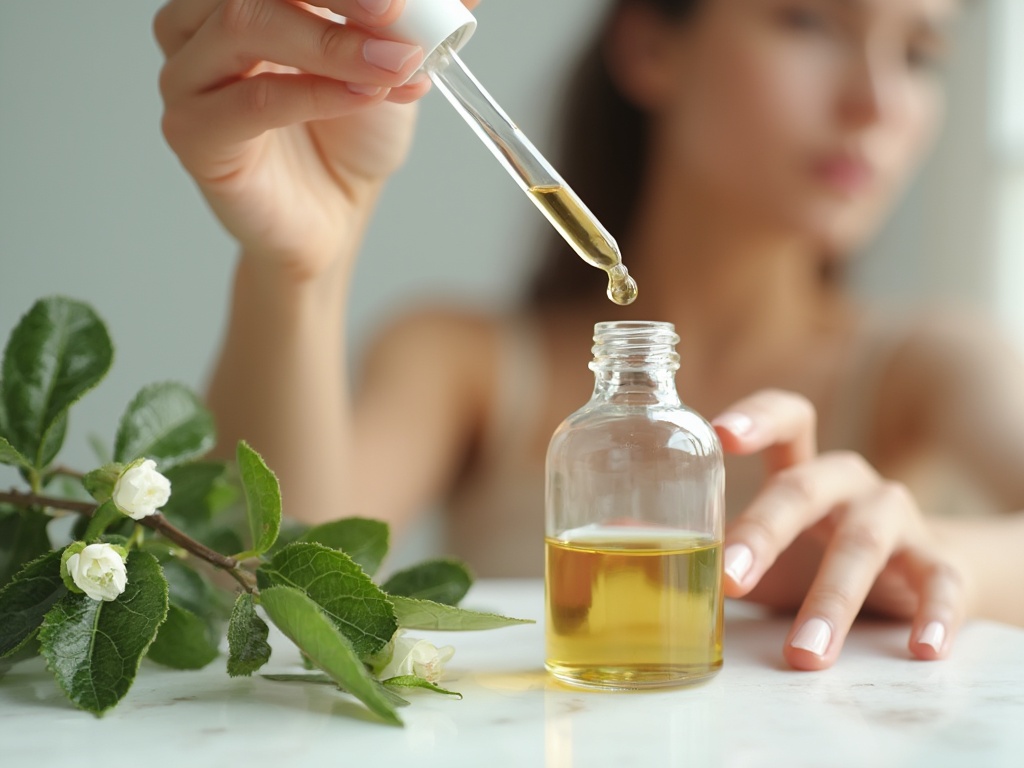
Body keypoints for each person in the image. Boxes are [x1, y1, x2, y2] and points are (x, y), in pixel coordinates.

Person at [154, 0, 1024, 671]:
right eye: (807, 20)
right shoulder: (462, 360)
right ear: (651, 46)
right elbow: (258, 575)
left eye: (917, 52)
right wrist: (301, 266)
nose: (874, 103)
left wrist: (933, 556)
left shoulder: (933, 360)